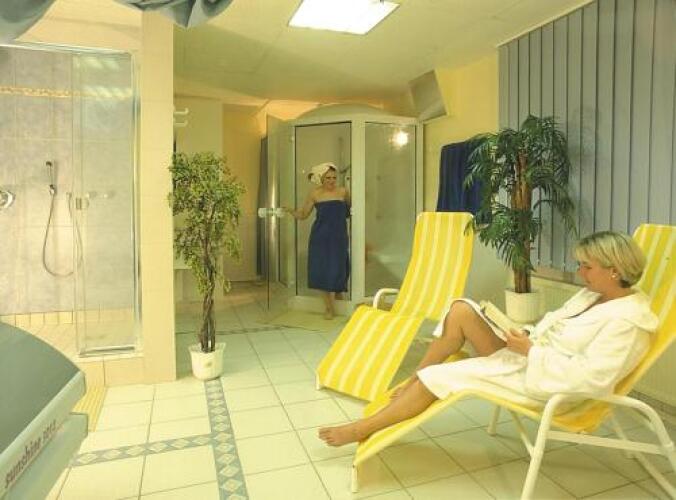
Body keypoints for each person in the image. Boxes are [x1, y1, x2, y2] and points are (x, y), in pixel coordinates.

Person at [319, 231, 658, 446]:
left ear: (614, 270)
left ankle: (362, 428)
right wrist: (526, 337)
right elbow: (556, 330)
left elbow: (592, 380)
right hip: (529, 359)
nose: (580, 272)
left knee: (437, 376)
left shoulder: (628, 322)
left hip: (548, 385)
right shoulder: (594, 295)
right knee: (462, 310)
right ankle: (413, 380)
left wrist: (532, 352)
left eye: (587, 266)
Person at [286, 163, 351, 319]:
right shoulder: (315, 194)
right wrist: (290, 210)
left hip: (339, 238)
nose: (332, 181)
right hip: (320, 237)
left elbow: (351, 211)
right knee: (322, 271)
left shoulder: (343, 192)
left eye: (334, 178)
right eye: (328, 178)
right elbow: (303, 215)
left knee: (339, 270)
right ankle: (329, 308)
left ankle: (339, 303)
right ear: (321, 179)